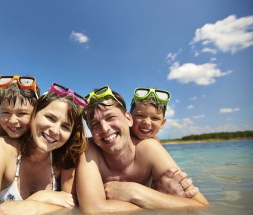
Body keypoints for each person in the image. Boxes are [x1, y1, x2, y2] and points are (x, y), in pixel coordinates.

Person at [76, 85, 209, 214]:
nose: (105, 129)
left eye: (111, 117)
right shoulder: (89, 150)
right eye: (95, 124)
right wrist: (159, 202)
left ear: (128, 118)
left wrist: (134, 192)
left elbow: (201, 205)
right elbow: (93, 209)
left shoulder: (150, 149)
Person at [0, 83, 88, 215]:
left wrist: (35, 204)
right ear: (33, 115)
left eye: (65, 126)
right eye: (50, 118)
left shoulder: (64, 158)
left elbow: (72, 207)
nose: (54, 130)